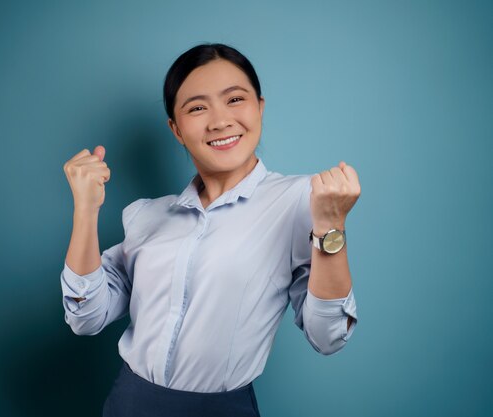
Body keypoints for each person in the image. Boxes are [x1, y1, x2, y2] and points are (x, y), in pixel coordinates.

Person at [60, 43, 360, 417]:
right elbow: (85, 317)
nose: (219, 121)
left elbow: (328, 336)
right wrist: (85, 211)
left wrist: (331, 226)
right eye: (197, 107)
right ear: (177, 129)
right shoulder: (145, 216)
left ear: (259, 107)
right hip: (127, 404)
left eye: (235, 99)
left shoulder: (300, 201)